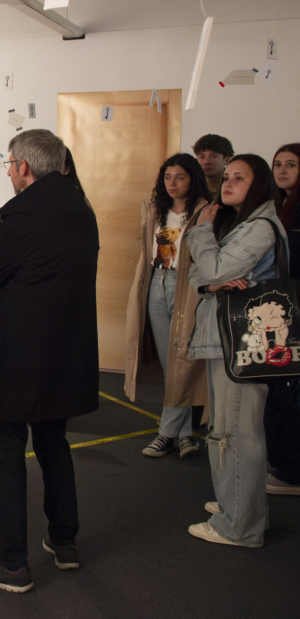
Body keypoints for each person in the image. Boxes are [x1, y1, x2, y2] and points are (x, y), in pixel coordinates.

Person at [0, 130, 99, 593]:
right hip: (65, 348)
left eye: (9, 164)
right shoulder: (82, 209)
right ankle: (64, 540)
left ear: (23, 166)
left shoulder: (23, 213)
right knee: (54, 442)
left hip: (19, 352)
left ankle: (11, 562)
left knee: (7, 450)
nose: (8, 173)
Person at [185, 153, 283, 546]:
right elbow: (200, 275)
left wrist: (202, 233)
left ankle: (240, 526)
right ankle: (240, 507)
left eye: (239, 177)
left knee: (236, 434)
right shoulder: (240, 223)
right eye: (227, 177)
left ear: (258, 184)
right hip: (228, 338)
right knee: (228, 430)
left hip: (243, 342)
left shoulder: (259, 227)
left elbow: (210, 267)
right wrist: (212, 282)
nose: (227, 183)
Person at [125, 154, 212, 458]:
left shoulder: (205, 210)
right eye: (167, 177)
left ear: (193, 179)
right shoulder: (155, 209)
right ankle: (185, 434)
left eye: (180, 177)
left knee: (182, 361)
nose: (172, 183)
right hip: (157, 282)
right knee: (168, 363)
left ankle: (166, 433)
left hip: (187, 287)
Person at [267, 143, 300, 496]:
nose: (282, 170)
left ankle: (292, 473)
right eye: (278, 164)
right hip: (280, 311)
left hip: (294, 310)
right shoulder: (275, 209)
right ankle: (284, 463)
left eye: (291, 164)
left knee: (291, 393)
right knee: (278, 388)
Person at [193, 134, 234, 198]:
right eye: (202, 157)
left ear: (227, 159)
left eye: (214, 156)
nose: (206, 162)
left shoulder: (234, 188)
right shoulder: (191, 189)